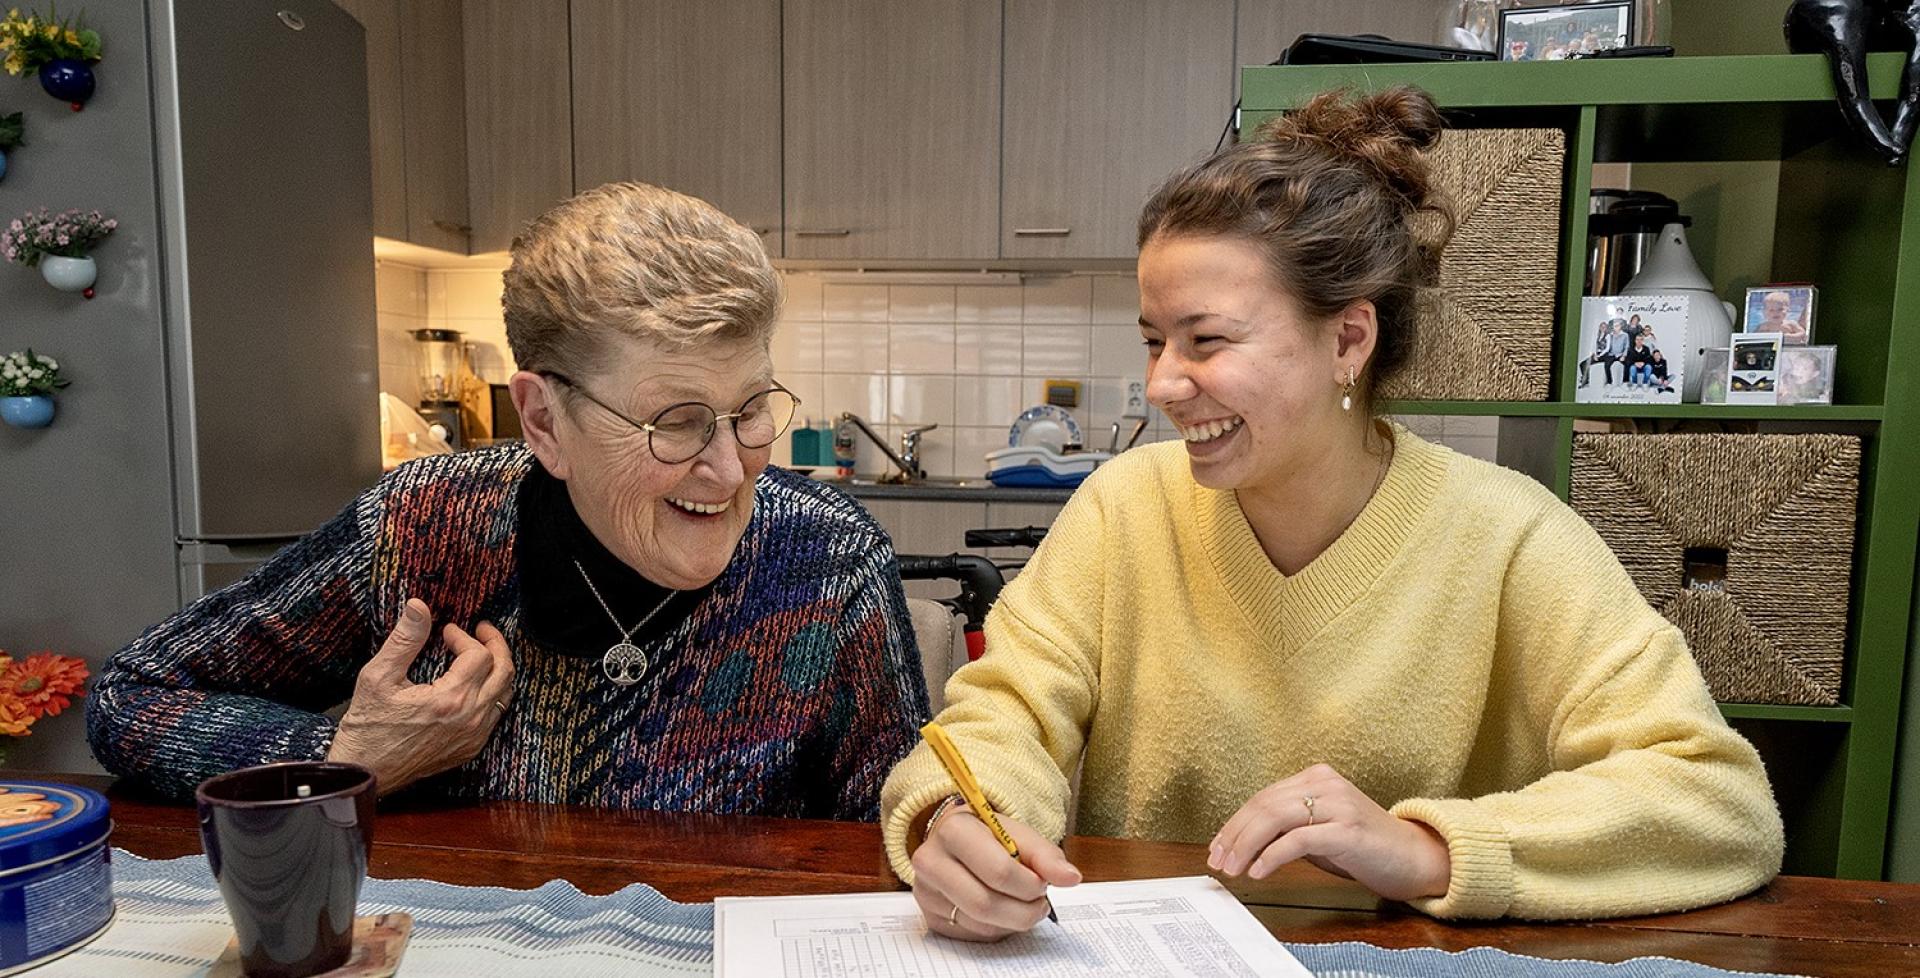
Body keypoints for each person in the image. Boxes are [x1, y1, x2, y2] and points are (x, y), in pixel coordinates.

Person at [881, 87, 1782, 940]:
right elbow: (1002, 719)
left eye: (1207, 340)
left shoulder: (1511, 537)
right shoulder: (1125, 507)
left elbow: (1716, 800)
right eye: (1155, 342)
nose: (1162, 384)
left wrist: (1426, 851)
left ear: (1348, 339)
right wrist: (961, 815)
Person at [88, 182, 929, 817]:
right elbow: (130, 694)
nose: (729, 467)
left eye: (750, 412)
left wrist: (943, 834)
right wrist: (346, 754)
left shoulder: (827, 555)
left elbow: (896, 818)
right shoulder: (425, 523)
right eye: (675, 423)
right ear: (542, 419)